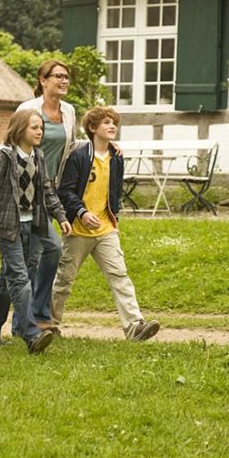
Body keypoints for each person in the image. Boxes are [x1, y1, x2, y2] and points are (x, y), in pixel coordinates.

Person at [53, 106, 160, 341]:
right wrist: (81, 212)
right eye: (106, 123)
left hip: (106, 229)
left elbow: (115, 193)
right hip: (78, 231)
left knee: (119, 275)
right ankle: (49, 325)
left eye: (114, 123)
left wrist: (115, 219)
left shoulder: (116, 157)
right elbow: (65, 191)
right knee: (63, 280)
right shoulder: (79, 156)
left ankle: (134, 326)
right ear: (93, 128)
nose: (112, 127)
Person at [0, 109, 72, 354]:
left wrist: (60, 216)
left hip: (33, 225)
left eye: (41, 128)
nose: (39, 132)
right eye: (34, 127)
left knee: (8, 281)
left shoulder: (37, 156)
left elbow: (48, 191)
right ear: (19, 130)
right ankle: (31, 334)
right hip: (8, 227)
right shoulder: (4, 159)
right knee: (20, 279)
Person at [13, 59, 77, 333]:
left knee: (50, 250)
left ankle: (36, 314)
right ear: (43, 79)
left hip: (51, 189)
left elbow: (71, 145)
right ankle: (25, 322)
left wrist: (106, 145)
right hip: (25, 191)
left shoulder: (69, 111)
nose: (64, 81)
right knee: (31, 257)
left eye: (67, 77)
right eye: (58, 76)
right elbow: (12, 145)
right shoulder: (27, 110)